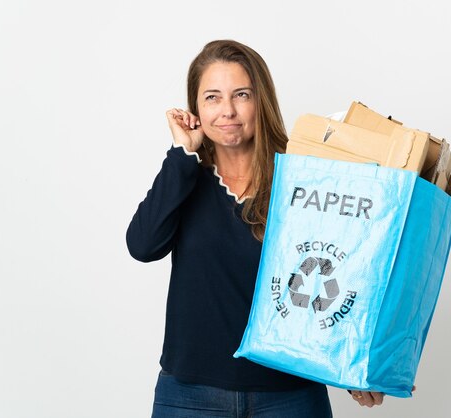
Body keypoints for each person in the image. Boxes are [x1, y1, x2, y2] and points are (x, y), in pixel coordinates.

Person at [126, 39, 384, 417]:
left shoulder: (304, 179)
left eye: (241, 95)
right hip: (190, 395)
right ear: (195, 108)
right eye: (212, 97)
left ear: (260, 100)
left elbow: (342, 272)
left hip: (290, 394)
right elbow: (143, 245)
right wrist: (182, 153)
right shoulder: (186, 175)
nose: (227, 110)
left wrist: (355, 362)